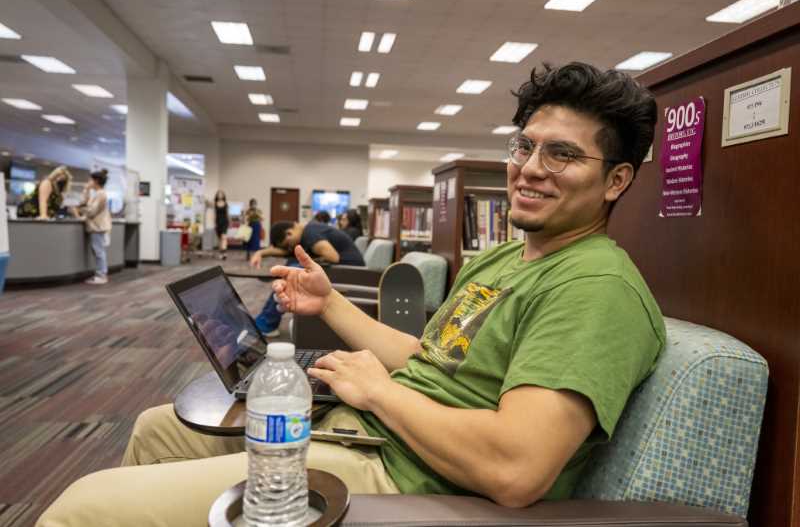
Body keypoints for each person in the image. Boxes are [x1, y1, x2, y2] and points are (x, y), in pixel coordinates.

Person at [37, 62, 665, 526]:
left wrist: (380, 393)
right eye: (525, 146)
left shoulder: (596, 288)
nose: (530, 169)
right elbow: (431, 357)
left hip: (401, 479)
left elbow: (516, 469)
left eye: (562, 156)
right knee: (154, 429)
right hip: (362, 432)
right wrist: (329, 304)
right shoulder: (506, 257)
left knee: (81, 509)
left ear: (616, 180)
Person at [249, 219, 365, 336]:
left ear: (289, 233)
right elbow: (285, 252)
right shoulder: (308, 231)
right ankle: (265, 321)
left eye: (288, 245)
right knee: (292, 263)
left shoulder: (310, 234)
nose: (289, 248)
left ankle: (266, 323)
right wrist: (261, 253)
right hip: (348, 270)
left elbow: (333, 257)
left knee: (293, 272)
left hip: (351, 273)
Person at [76, 169, 112, 285]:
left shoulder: (101, 194)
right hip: (96, 227)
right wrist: (86, 190)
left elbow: (91, 211)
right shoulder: (97, 194)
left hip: (97, 227)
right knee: (98, 251)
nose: (88, 181)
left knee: (99, 251)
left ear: (96, 181)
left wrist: (79, 209)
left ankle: (101, 275)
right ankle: (101, 274)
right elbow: (85, 203)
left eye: (90, 180)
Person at [213, 190, 229, 260]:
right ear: (217, 196)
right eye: (219, 194)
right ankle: (221, 253)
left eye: (221, 194)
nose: (220, 195)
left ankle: (224, 253)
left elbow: (227, 214)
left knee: (224, 237)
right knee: (220, 239)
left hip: (225, 222)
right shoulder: (215, 203)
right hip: (218, 222)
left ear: (223, 196)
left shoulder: (226, 203)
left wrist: (229, 222)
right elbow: (214, 214)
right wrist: (214, 223)